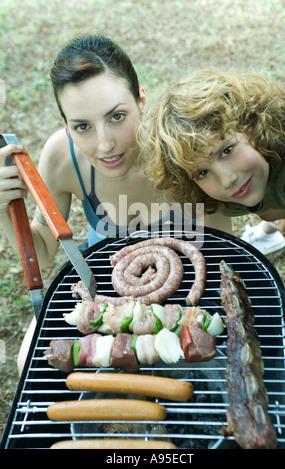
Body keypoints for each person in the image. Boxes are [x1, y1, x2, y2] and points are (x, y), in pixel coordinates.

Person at [0, 38, 231, 373]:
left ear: (142, 101)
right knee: (27, 362)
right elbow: (44, 252)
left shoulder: (181, 147)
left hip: (195, 292)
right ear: (65, 123)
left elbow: (224, 249)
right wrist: (3, 209)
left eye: (117, 117)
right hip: (102, 293)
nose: (105, 144)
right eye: (82, 126)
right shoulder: (62, 157)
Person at [137, 68, 285, 251]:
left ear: (251, 123)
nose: (227, 179)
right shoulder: (230, 192)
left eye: (227, 151)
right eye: (202, 172)